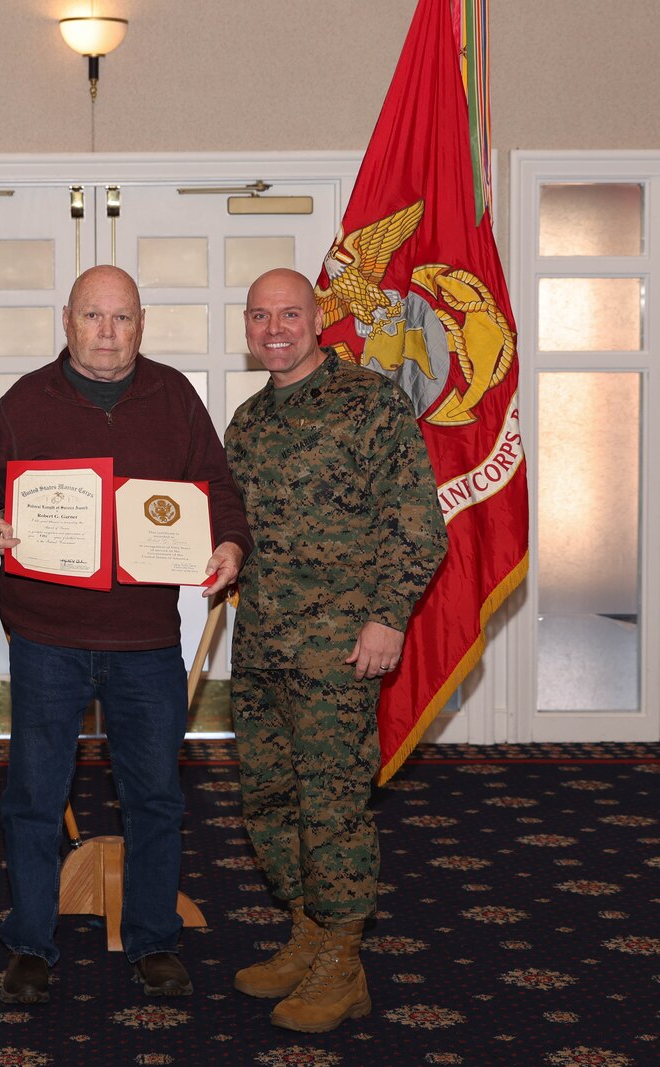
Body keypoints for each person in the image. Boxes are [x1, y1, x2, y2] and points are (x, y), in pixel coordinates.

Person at [0, 265, 252, 1004]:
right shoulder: (26, 399)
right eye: (92, 317)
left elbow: (218, 492)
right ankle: (28, 942)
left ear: (140, 323)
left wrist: (230, 546)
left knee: (155, 800)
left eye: (120, 318)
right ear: (67, 320)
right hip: (46, 636)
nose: (107, 333)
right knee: (33, 795)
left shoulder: (174, 397)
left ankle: (151, 940)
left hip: (145, 641)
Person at [225, 268, 448, 1033]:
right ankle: (308, 933)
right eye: (259, 315)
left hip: (337, 650)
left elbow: (419, 524)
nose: (273, 328)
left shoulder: (370, 402)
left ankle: (343, 962)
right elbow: (239, 530)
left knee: (331, 806)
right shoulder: (246, 422)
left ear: (318, 317)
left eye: (288, 313)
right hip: (260, 645)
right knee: (267, 800)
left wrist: (387, 619)